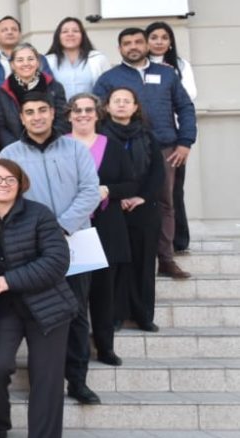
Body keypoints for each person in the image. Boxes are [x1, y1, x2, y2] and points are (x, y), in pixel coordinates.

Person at [0, 92, 102, 406]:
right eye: (30, 112)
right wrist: (41, 232)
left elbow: (90, 190)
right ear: (22, 117)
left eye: (42, 110)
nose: (37, 117)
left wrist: (61, 226)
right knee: (38, 310)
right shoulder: (10, 154)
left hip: (75, 241)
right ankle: (43, 377)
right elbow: (9, 198)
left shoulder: (75, 148)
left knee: (77, 312)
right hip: (33, 247)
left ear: (52, 113)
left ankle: (78, 380)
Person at [0, 160, 75, 438]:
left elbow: (57, 261)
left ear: (21, 183)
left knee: (47, 380)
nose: (3, 184)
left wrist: (9, 280)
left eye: (10, 179)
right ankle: (0, 420)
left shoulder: (39, 215)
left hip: (47, 306)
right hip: (4, 309)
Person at [93, 27, 196, 280]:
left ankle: (166, 258)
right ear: (119, 49)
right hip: (119, 148)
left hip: (164, 147)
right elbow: (96, 112)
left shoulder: (167, 74)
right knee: (117, 203)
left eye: (138, 41)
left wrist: (185, 142)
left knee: (164, 202)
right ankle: (126, 260)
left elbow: (185, 107)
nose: (133, 46)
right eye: (127, 43)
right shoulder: (109, 78)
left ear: (146, 45)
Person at [65, 93, 135, 368]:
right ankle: (76, 350)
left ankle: (105, 346)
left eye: (88, 110)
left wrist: (109, 190)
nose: (83, 114)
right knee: (75, 295)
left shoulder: (113, 146)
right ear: (69, 115)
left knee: (104, 293)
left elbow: (131, 184)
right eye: (77, 110)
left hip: (106, 228)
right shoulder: (61, 146)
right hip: (72, 230)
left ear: (97, 114)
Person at [100, 87, 165, 333]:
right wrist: (120, 196)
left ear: (135, 107)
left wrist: (140, 197)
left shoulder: (147, 136)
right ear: (107, 107)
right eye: (116, 101)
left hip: (144, 207)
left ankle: (143, 314)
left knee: (144, 263)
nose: (121, 105)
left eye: (127, 101)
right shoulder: (100, 136)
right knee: (115, 265)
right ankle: (115, 314)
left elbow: (157, 172)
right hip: (111, 207)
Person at [146, 21, 197, 255]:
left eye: (163, 37)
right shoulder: (141, 67)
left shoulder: (179, 65)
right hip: (148, 140)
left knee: (174, 191)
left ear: (170, 42)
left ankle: (179, 239)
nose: (158, 41)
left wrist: (184, 141)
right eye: (153, 37)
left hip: (174, 140)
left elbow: (189, 97)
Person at [0, 43, 70, 150]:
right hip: (16, 151)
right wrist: (18, 148)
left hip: (52, 146)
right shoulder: (0, 93)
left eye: (30, 59)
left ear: (38, 62)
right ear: (12, 65)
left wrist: (48, 142)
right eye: (20, 60)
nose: (26, 63)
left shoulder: (55, 87)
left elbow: (62, 120)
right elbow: (1, 128)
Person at [0, 16, 50, 92]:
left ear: (20, 35)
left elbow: (50, 87)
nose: (10, 32)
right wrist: (9, 83)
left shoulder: (39, 59)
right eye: (4, 30)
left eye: (14, 29)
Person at [45, 17, 111, 99]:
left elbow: (109, 87)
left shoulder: (98, 58)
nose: (70, 34)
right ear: (58, 36)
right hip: (59, 110)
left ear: (82, 35)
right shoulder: (48, 60)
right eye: (65, 31)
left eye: (75, 31)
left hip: (91, 110)